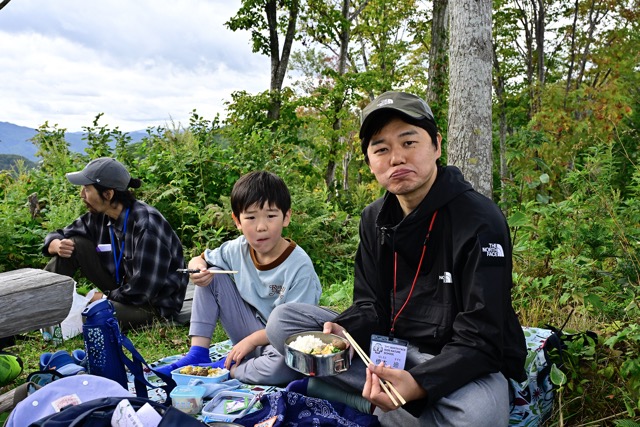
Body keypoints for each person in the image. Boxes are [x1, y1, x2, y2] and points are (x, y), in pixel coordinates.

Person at [265, 91, 527, 425]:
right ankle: (392, 401)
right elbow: (370, 305)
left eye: (408, 142)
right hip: (389, 352)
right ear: (370, 161)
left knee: (477, 416)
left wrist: (421, 383)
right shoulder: (374, 219)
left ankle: (372, 401)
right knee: (283, 323)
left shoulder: (479, 220)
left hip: (457, 362)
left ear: (436, 145)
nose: (396, 159)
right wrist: (346, 328)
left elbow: (483, 336)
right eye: (381, 149)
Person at [155, 171, 322, 386]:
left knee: (287, 366)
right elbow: (199, 259)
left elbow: (296, 328)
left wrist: (251, 342)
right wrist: (197, 270)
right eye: (251, 217)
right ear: (237, 221)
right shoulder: (237, 249)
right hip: (247, 332)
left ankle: (228, 369)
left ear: (286, 217)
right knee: (212, 275)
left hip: (281, 341)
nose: (261, 227)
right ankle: (198, 354)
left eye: (271, 216)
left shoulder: (300, 267)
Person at [43, 157, 188, 330]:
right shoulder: (99, 216)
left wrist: (101, 298)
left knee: (90, 316)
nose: (81, 194)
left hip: (152, 304)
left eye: (87, 189)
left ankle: (68, 313)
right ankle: (36, 302)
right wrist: (55, 244)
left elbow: (142, 292)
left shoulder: (147, 226)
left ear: (108, 194)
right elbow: (59, 234)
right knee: (74, 244)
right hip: (121, 291)